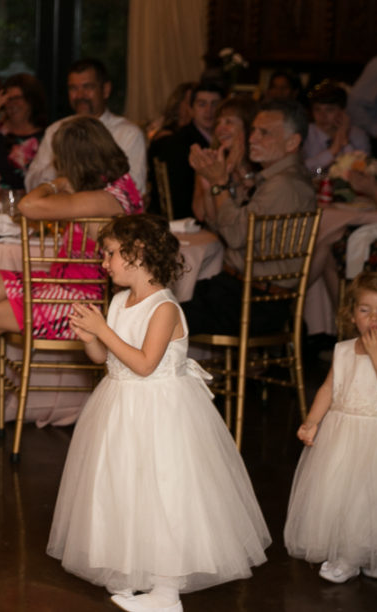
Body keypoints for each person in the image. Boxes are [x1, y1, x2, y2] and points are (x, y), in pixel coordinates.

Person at [50, 214, 270, 612]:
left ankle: (168, 593)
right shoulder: (119, 301)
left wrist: (105, 332)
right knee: (128, 491)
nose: (105, 262)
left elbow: (145, 363)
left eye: (111, 254)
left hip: (160, 412)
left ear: (139, 254)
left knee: (166, 492)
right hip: (121, 408)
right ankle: (139, 571)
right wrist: (91, 339)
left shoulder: (165, 306)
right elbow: (108, 359)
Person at [0, 117, 143, 445]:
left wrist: (58, 183)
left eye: (61, 159)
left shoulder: (104, 200)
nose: (57, 164)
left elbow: (30, 206)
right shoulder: (116, 187)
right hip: (67, 288)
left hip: (81, 305)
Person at [185, 99, 315, 336]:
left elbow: (234, 236)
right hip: (239, 291)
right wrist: (211, 182)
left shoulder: (284, 185)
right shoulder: (273, 179)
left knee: (157, 312)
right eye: (253, 130)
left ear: (292, 142)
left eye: (264, 133)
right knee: (162, 300)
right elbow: (220, 226)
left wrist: (219, 184)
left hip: (254, 303)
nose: (252, 138)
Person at [284, 271, 377, 584]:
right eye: (365, 310)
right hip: (342, 437)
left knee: (371, 500)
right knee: (344, 498)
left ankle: (373, 554)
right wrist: (312, 421)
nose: (374, 318)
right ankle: (346, 556)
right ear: (352, 314)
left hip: (375, 438)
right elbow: (328, 389)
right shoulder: (342, 350)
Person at [26, 58, 149, 194]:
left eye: (88, 87)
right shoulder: (56, 130)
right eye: (73, 88)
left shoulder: (128, 133)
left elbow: (135, 189)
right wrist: (59, 163)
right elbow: (30, 184)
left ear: (106, 90)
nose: (79, 95)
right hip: (60, 212)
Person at [150, 79, 224, 221]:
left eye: (215, 104)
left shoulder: (221, 141)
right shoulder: (178, 143)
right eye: (202, 104)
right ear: (191, 109)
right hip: (189, 220)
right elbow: (178, 198)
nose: (209, 111)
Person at [190, 94, 258, 225]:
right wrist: (208, 184)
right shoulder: (214, 161)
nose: (220, 129)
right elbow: (202, 215)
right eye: (218, 123)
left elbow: (251, 216)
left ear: (248, 126)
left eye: (229, 122)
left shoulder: (261, 162)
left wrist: (240, 170)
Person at [303, 80, 369, 172]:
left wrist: (345, 141)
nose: (322, 116)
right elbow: (305, 170)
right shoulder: (305, 133)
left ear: (343, 111)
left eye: (329, 110)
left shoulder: (358, 135)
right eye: (317, 110)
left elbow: (361, 169)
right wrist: (334, 148)